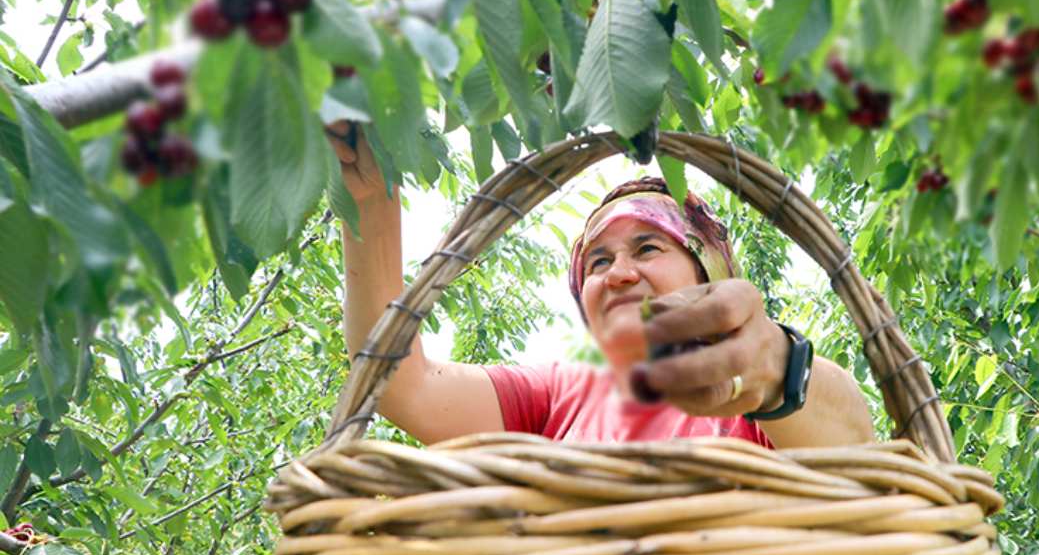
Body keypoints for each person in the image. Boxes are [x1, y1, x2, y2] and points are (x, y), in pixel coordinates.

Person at [327, 122, 874, 449]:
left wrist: (779, 370)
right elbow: (402, 385)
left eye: (648, 247)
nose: (618, 273)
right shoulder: (556, 395)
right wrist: (372, 203)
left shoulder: (747, 393)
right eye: (597, 261)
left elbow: (851, 443)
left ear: (708, 271)